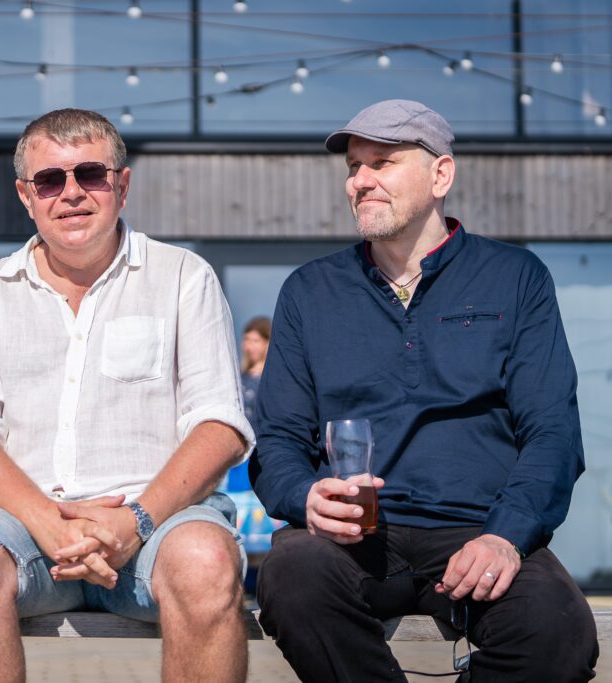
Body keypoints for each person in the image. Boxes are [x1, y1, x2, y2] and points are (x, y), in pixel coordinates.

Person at [249, 100, 598, 683]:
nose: (360, 181)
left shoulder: (515, 278)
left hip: (479, 527)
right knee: (290, 575)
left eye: (381, 163)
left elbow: (554, 433)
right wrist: (306, 496)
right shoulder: (310, 292)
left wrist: (506, 536)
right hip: (353, 536)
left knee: (556, 626)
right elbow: (278, 437)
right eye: (354, 167)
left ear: (441, 176)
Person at [0, 108, 254, 683]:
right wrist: (46, 523)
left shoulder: (183, 276)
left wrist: (137, 521)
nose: (71, 193)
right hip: (25, 533)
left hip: (158, 530)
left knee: (205, 561)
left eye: (91, 175)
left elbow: (219, 425)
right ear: (26, 196)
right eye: (50, 180)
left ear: (122, 185)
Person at [226, 316, 271, 492]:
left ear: (267, 343)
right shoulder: (239, 377)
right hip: (240, 452)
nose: (249, 346)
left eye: (255, 340)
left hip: (262, 452)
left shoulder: (273, 379)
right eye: (247, 340)